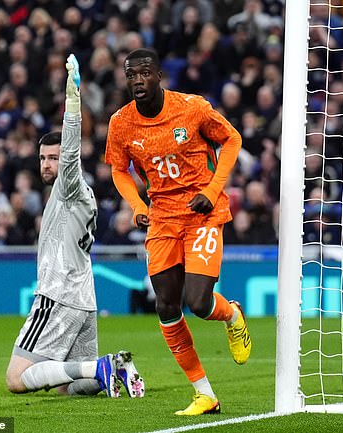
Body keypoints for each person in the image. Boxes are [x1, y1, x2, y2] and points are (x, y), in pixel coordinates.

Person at [105, 48, 251, 415]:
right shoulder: (120, 123)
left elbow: (232, 139)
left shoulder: (192, 108)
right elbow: (118, 169)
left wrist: (212, 191)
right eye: (131, 75)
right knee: (166, 305)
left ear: (159, 76)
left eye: (145, 73)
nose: (138, 80)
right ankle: (205, 394)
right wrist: (138, 206)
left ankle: (232, 315)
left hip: (202, 212)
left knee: (199, 303)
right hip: (162, 217)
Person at [5, 54, 145, 399]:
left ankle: (99, 367)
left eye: (53, 158)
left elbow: (70, 154)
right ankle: (114, 368)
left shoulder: (69, 186)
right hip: (83, 297)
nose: (47, 164)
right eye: (42, 158)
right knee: (70, 388)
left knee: (17, 379)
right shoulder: (81, 194)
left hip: (58, 294)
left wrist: (72, 100)